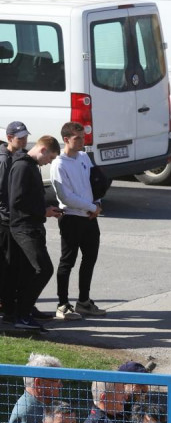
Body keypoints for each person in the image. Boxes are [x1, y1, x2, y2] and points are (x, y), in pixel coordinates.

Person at [49, 121, 103, 321]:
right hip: (71, 218)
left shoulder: (83, 157)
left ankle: (84, 301)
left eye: (83, 138)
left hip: (90, 218)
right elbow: (65, 197)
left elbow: (94, 182)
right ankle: (62, 305)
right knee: (67, 261)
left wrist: (97, 202)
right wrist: (92, 207)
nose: (82, 142)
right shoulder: (59, 164)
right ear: (66, 139)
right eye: (77, 138)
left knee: (89, 259)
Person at [8, 134, 61, 332]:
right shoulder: (23, 166)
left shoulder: (31, 166)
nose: (50, 162)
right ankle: (21, 314)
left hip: (32, 226)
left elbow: (31, 197)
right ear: (43, 150)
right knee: (43, 268)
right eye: (50, 158)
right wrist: (43, 211)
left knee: (30, 270)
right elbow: (17, 200)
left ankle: (24, 310)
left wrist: (47, 207)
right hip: (24, 228)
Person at [0, 122, 29, 325]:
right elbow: (3, 194)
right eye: (20, 138)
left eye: (25, 137)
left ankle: (24, 305)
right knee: (8, 267)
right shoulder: (4, 161)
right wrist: (9, 216)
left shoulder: (23, 155)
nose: (24, 140)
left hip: (19, 221)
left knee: (22, 266)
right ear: (10, 138)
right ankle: (9, 308)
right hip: (7, 222)